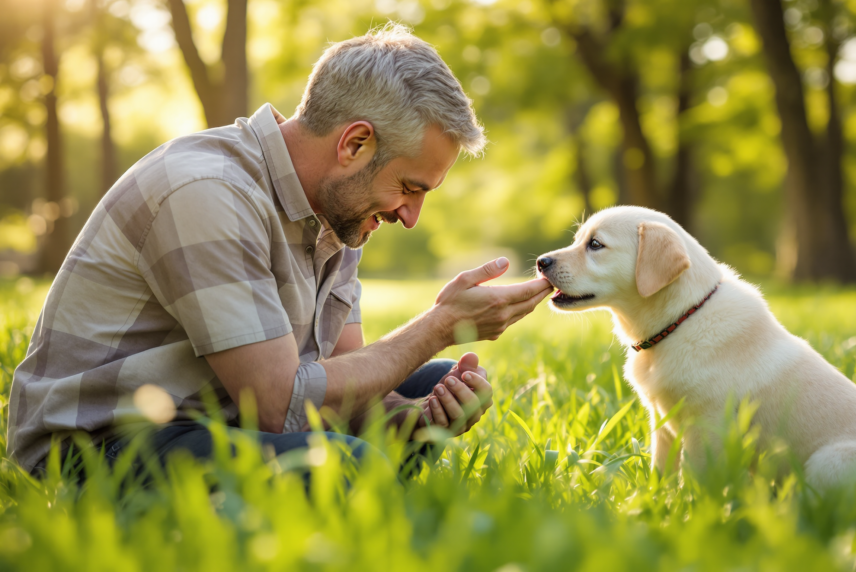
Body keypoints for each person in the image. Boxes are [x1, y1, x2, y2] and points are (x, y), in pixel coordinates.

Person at [5, 23, 553, 480]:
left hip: (215, 418)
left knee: (431, 381)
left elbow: (345, 388)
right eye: (410, 187)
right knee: (335, 460)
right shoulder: (205, 191)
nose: (410, 217)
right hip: (96, 448)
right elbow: (279, 407)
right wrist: (438, 323)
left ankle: (370, 488)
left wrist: (418, 418)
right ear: (354, 144)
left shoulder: (339, 212)